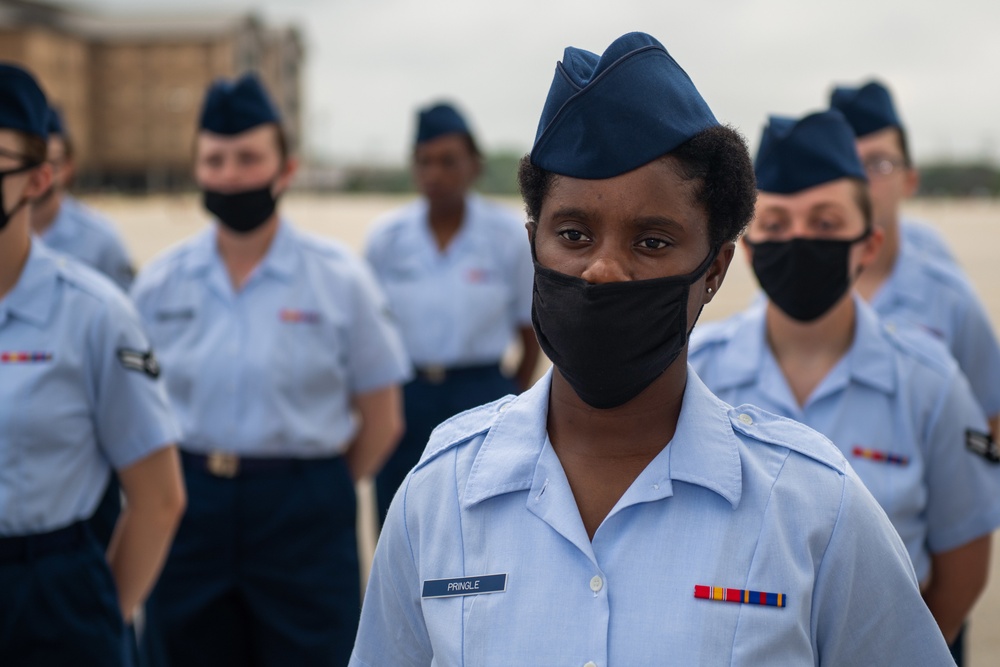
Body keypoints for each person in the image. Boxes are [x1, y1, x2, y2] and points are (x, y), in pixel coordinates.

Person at [350, 33, 954, 666]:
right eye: (574, 233)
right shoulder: (440, 492)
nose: (603, 270)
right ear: (533, 244)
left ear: (716, 269)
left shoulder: (811, 509)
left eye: (654, 242)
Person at [689, 109, 1000, 656]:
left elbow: (964, 560)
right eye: (777, 223)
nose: (801, 239)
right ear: (749, 248)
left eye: (826, 223)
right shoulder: (696, 372)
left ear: (869, 244)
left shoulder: (930, 385)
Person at [132, 73, 409, 667]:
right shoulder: (157, 284)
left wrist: (318, 488)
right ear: (197, 171)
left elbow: (382, 419)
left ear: (286, 169)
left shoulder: (339, 279)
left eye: (249, 157)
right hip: (189, 506)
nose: (231, 174)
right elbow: (134, 416)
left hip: (301, 511)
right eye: (216, 159)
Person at [0, 62, 186, 667]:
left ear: (37, 180)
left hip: (51, 595)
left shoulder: (95, 315)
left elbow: (158, 498)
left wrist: (98, 611)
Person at [365, 101, 539, 521]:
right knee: (401, 519)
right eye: (424, 162)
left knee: (486, 522)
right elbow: (368, 337)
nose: (435, 174)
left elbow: (530, 331)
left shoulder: (506, 237)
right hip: (404, 399)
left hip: (481, 393)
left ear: (474, 165)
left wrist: (510, 396)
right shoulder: (387, 240)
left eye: (448, 161)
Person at [830, 81, 1000, 440]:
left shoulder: (950, 300)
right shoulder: (790, 289)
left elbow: (991, 418)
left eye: (878, 163)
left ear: (910, 180)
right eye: (845, 161)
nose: (860, 179)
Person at [29, 107, 137, 551]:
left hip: (84, 434)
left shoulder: (99, 241)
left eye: (50, 159)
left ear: (66, 166)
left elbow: (129, 339)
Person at [31, 106, 135, 290]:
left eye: (51, 165)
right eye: (32, 164)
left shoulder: (101, 240)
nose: (40, 177)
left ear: (68, 166)